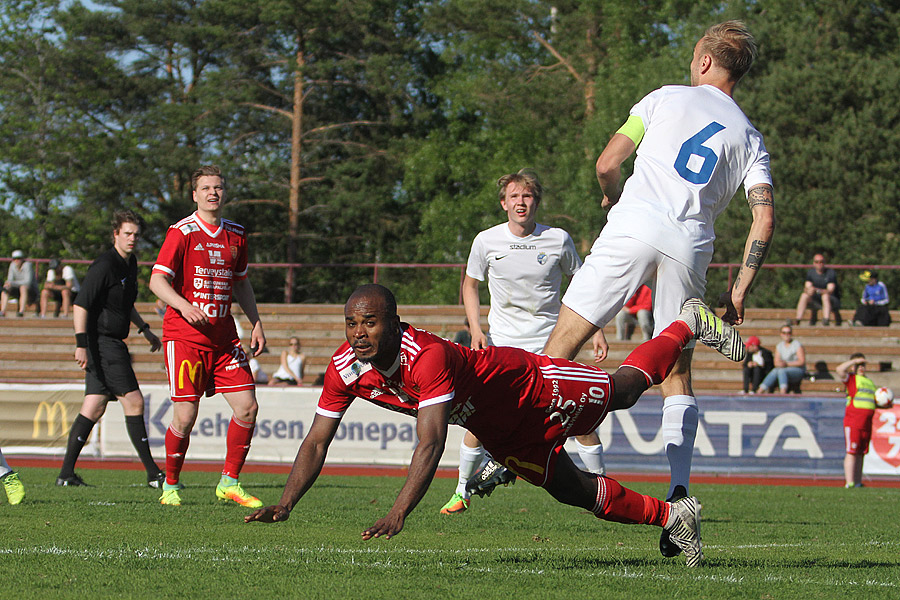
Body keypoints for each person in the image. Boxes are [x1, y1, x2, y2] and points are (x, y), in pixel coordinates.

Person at [245, 284, 749, 568]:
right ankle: (671, 518)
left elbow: (431, 442)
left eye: (371, 322)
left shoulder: (429, 357)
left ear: (396, 323)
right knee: (572, 491)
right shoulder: (344, 369)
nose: (360, 334)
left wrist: (399, 512)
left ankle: (687, 323)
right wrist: (286, 503)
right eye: (352, 324)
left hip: (529, 386)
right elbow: (316, 440)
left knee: (623, 392)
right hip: (500, 431)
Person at [540, 20, 773, 559]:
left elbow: (607, 162)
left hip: (635, 223)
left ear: (707, 61)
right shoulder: (749, 136)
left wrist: (612, 196)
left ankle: (535, 446)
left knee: (562, 344)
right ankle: (679, 496)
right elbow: (763, 219)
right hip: (693, 244)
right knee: (676, 369)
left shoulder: (666, 97)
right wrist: (738, 291)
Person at [444, 169, 607, 516]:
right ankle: (462, 491)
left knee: (578, 413)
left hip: (554, 343)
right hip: (504, 345)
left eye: (528, 196)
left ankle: (603, 489)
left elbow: (583, 286)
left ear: (537, 202)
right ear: (504, 203)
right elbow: (470, 285)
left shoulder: (558, 239)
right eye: (515, 196)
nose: (521, 202)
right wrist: (475, 328)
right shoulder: (486, 241)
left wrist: (596, 331)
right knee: (479, 418)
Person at [150, 164, 267, 508]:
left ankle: (229, 482)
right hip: (185, 337)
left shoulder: (236, 234)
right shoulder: (182, 232)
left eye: (218, 187)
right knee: (185, 417)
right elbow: (157, 281)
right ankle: (170, 484)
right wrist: (184, 306)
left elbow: (241, 282)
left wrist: (256, 322)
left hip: (224, 338)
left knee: (247, 407)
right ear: (194, 195)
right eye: (206, 188)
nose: (213, 193)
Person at [58, 210, 165, 488]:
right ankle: (154, 474)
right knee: (135, 401)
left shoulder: (130, 264)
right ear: (115, 234)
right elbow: (80, 304)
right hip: (102, 343)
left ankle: (66, 475)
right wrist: (81, 345)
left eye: (136, 235)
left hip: (112, 341)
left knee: (94, 406)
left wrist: (145, 330)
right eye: (127, 233)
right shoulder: (104, 265)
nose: (132, 239)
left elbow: (123, 305)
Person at [836, 353, 878, 488]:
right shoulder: (852, 379)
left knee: (861, 453)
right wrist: (853, 361)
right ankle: (849, 482)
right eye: (858, 365)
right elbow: (839, 370)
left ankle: (858, 482)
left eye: (863, 365)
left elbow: (873, 401)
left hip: (866, 422)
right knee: (852, 451)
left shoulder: (869, 382)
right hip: (853, 420)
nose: (861, 368)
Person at [757, 325, 805, 394]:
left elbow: (801, 361)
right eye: (784, 333)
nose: (786, 335)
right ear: (781, 334)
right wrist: (781, 364)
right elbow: (776, 362)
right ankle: (760, 390)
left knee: (781, 371)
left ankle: (783, 392)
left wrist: (787, 364)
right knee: (776, 370)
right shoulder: (779, 346)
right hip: (783, 369)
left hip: (797, 370)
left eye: (788, 333)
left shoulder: (797, 345)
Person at [795, 253, 841, 326]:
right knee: (804, 295)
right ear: (813, 263)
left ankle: (826, 319)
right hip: (816, 300)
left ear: (824, 263)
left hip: (831, 300)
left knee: (825, 296)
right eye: (817, 262)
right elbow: (807, 287)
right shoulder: (811, 272)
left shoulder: (830, 273)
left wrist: (817, 290)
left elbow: (830, 290)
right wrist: (809, 291)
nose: (819, 264)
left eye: (821, 261)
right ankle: (798, 319)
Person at [1, 250, 38, 317]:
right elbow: (10, 279)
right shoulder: (12, 265)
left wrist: (12, 283)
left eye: (18, 258)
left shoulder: (27, 265)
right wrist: (8, 284)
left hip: (31, 290)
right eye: (14, 259)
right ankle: (3, 311)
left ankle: (21, 311)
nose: (16, 260)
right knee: (6, 289)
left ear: (22, 259)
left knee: (23, 287)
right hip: (18, 288)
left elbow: (27, 282)